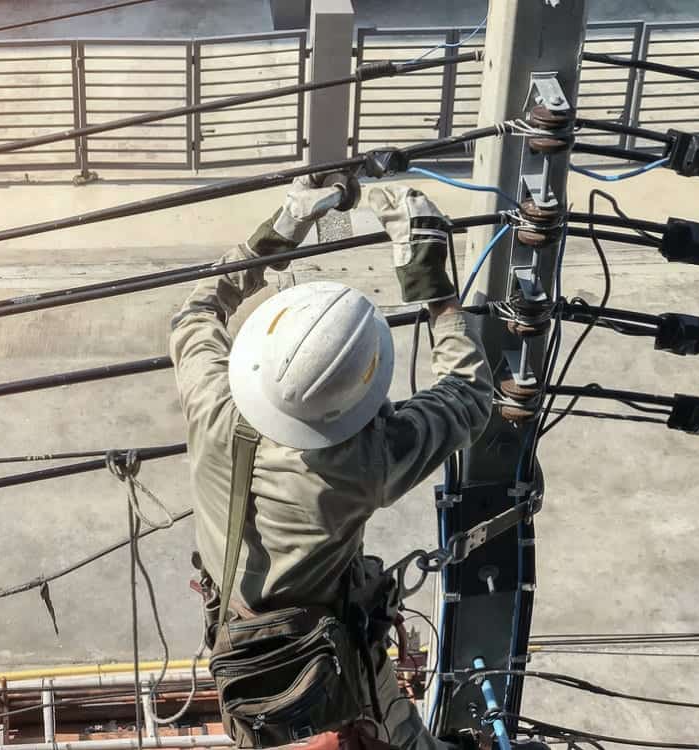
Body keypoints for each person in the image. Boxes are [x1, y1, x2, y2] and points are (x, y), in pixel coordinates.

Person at [169, 173, 494, 750]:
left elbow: (198, 309)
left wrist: (283, 226)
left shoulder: (211, 406)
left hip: (243, 649)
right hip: (333, 667)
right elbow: (468, 394)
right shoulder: (361, 463)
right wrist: (433, 286)